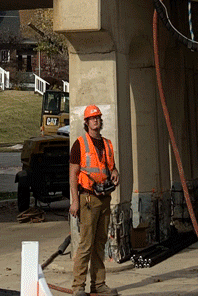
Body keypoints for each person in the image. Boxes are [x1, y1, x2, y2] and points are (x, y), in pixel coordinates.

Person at [69, 104, 119, 296]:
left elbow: (110, 168)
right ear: (86, 122)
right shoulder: (79, 144)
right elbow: (73, 174)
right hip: (88, 199)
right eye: (92, 118)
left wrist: (115, 173)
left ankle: (98, 284)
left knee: (100, 243)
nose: (96, 120)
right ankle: (78, 287)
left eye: (98, 117)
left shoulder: (107, 144)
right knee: (86, 244)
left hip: (104, 198)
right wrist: (75, 202)